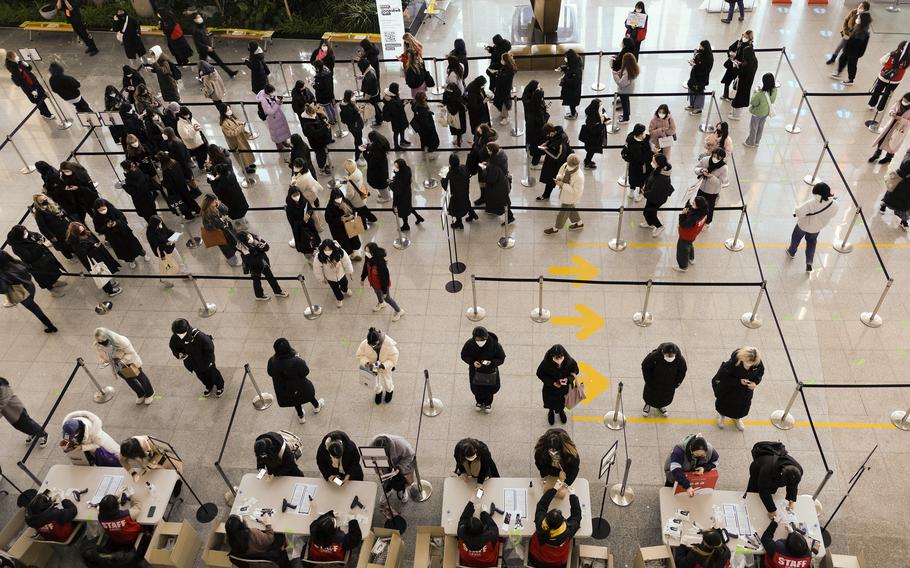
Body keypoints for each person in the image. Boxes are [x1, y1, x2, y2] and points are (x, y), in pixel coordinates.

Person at [267, 338, 324, 424]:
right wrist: (297, 359)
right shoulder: (296, 361)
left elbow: (270, 373)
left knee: (295, 401)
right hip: (301, 387)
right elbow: (305, 372)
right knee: (309, 396)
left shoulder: (272, 361)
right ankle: (316, 407)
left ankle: (301, 416)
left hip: (286, 390)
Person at [94, 327, 154, 405]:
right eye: (100, 341)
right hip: (117, 366)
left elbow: (130, 353)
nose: (102, 343)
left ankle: (149, 393)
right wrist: (104, 361)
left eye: (103, 341)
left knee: (140, 377)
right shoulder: (98, 345)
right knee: (129, 380)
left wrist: (121, 361)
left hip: (129, 362)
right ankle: (140, 394)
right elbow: (101, 355)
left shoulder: (121, 340)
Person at [787, 182, 839, 272]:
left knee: (796, 238)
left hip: (803, 226)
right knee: (811, 243)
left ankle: (791, 252)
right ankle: (809, 262)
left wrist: (795, 210)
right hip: (816, 228)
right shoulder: (834, 204)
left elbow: (799, 213)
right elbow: (833, 215)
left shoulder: (812, 203)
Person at [0, 252, 58, 333]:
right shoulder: (16, 262)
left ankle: (51, 326)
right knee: (33, 303)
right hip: (30, 286)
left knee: (35, 310)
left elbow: (3, 290)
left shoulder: (2, 274)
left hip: (21, 293)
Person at [169, 318, 225, 398]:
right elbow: (173, 346)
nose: (178, 336)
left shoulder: (199, 336)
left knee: (213, 374)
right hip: (192, 362)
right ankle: (209, 385)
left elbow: (209, 348)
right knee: (201, 376)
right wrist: (178, 354)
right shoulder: (176, 336)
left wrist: (209, 362)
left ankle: (220, 386)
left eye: (180, 334)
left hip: (205, 361)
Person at [712, 347, 764, 430]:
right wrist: (738, 381)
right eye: (747, 362)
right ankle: (721, 416)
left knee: (741, 406)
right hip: (729, 390)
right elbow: (722, 377)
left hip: (745, 391)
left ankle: (737, 418)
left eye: (751, 363)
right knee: (724, 404)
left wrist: (755, 382)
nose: (749, 364)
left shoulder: (757, 363)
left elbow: (760, 373)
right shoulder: (732, 363)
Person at [66, 222, 123, 296]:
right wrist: (93, 247)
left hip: (97, 256)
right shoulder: (77, 242)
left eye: (82, 228)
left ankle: (109, 284)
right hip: (93, 260)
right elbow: (83, 253)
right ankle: (110, 291)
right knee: (100, 274)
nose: (82, 230)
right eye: (80, 230)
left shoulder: (81, 236)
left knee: (104, 271)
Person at [529, 487, 581, 568]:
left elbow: (542, 505)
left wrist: (554, 489)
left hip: (535, 560)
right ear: (562, 523)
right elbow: (577, 517)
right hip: (557, 565)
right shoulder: (567, 532)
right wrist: (573, 496)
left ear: (545, 519)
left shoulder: (540, 524)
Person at [747, 441, 803, 517]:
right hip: (758, 468)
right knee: (755, 490)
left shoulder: (798, 470)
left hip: (774, 472)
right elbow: (763, 489)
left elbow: (793, 484)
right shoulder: (768, 469)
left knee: (772, 490)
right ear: (781, 475)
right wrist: (771, 510)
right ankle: (749, 507)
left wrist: (791, 499)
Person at [7, 226, 66, 296]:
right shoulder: (16, 247)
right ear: (18, 235)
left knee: (52, 270)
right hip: (36, 264)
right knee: (45, 278)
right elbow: (29, 256)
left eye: (26, 231)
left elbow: (36, 235)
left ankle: (55, 281)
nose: (27, 233)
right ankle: (52, 290)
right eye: (24, 233)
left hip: (45, 257)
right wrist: (38, 244)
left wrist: (40, 238)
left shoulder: (25, 233)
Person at [91, 199, 148, 268]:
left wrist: (116, 222)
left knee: (134, 245)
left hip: (124, 233)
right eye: (100, 210)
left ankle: (143, 254)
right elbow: (98, 229)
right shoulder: (96, 218)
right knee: (124, 251)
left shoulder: (113, 210)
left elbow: (123, 218)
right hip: (114, 238)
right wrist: (106, 226)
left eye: (103, 209)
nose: (102, 211)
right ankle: (131, 260)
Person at [459, 326, 505, 412]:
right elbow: (464, 355)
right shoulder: (470, 344)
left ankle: (488, 403)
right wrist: (472, 362)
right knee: (477, 388)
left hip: (490, 371)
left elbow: (501, 358)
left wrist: (491, 363)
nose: (479, 341)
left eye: (481, 339)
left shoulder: (495, 345)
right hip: (476, 371)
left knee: (489, 389)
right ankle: (479, 402)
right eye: (477, 339)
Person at [236, 231, 288, 301]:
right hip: (255, 267)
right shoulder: (244, 248)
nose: (249, 237)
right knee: (257, 280)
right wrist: (257, 249)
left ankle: (277, 291)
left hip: (263, 262)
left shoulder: (256, 238)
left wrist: (258, 244)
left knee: (270, 277)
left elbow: (267, 248)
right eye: (247, 237)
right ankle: (259, 295)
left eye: (248, 235)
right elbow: (251, 261)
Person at [640, 342, 687, 417]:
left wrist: (677, 383)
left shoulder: (679, 360)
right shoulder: (654, 356)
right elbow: (645, 366)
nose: (669, 357)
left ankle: (661, 406)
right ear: (663, 352)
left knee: (665, 397)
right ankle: (648, 404)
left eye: (671, 355)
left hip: (669, 383)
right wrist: (648, 380)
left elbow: (682, 371)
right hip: (654, 381)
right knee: (650, 395)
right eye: (667, 355)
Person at [225, 515, 291, 568]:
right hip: (267, 551)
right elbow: (270, 538)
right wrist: (268, 525)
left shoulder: (229, 540)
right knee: (281, 535)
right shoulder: (253, 533)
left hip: (251, 557)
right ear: (242, 526)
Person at [360, 242, 405, 321]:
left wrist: (384, 291)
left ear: (373, 252)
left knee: (387, 298)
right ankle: (381, 303)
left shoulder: (380, 262)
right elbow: (365, 268)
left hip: (383, 284)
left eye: (367, 251)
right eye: (365, 251)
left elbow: (384, 278)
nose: (366, 253)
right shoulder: (368, 258)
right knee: (377, 292)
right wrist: (362, 278)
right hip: (374, 283)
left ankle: (399, 311)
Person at [536, 345, 579, 425]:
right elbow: (539, 373)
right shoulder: (546, 363)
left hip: (564, 388)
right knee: (550, 402)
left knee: (563, 401)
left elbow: (575, 371)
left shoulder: (570, 362)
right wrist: (552, 382)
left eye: (560, 357)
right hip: (550, 389)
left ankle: (561, 411)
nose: (559, 360)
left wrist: (568, 379)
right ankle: (551, 412)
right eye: (556, 358)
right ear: (552, 357)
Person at [0, 376, 48, 447]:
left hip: (16, 410)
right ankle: (33, 433)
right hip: (9, 413)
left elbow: (2, 403)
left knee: (28, 424)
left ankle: (43, 434)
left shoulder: (2, 387)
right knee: (19, 426)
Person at [4, 51, 54, 119]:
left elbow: (28, 70)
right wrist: (31, 91)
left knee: (40, 98)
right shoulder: (14, 69)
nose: (17, 57)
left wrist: (27, 65)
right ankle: (48, 115)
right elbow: (22, 82)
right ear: (11, 58)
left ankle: (43, 113)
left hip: (33, 82)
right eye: (15, 56)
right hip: (29, 86)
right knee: (39, 100)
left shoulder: (19, 63)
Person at [543, 154, 585, 235]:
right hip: (565, 193)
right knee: (571, 209)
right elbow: (560, 172)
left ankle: (556, 228)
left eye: (571, 166)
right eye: (568, 164)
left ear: (576, 165)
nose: (568, 167)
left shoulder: (579, 176)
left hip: (571, 196)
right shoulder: (566, 165)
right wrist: (559, 177)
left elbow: (575, 191)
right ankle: (579, 223)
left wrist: (562, 185)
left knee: (562, 214)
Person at [356, 327, 399, 405]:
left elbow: (393, 358)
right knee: (375, 382)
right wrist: (367, 363)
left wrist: (383, 365)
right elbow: (360, 355)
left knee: (387, 381)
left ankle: (389, 391)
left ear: (378, 341)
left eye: (374, 345)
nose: (372, 347)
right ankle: (378, 392)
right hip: (373, 367)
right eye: (370, 345)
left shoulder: (389, 345)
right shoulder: (365, 344)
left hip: (384, 367)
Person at [369, 434, 416, 502]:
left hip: (400, 460)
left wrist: (399, 467)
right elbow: (372, 459)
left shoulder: (402, 445)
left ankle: (403, 490)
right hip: (384, 463)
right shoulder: (371, 446)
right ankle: (387, 490)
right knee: (384, 477)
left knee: (402, 478)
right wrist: (378, 470)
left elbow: (410, 455)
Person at [831, 11, 872, 86]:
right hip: (849, 49)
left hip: (854, 52)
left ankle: (851, 80)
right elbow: (851, 33)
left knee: (851, 65)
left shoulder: (863, 31)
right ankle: (838, 72)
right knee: (842, 59)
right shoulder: (858, 26)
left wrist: (849, 38)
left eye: (859, 17)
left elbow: (856, 43)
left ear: (863, 20)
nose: (857, 18)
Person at [869, 93, 910, 165]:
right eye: (903, 98)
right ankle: (876, 155)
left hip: (900, 129)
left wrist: (900, 119)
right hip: (891, 124)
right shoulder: (898, 102)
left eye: (906, 100)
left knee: (894, 143)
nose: (904, 100)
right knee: (882, 139)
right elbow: (892, 109)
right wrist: (892, 113)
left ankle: (888, 158)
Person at [157, 152, 200, 220]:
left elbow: (169, 183)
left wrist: (162, 182)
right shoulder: (175, 162)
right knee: (189, 199)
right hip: (183, 185)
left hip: (176, 190)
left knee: (182, 203)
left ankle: (189, 216)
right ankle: (198, 210)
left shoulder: (166, 170)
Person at [31, 194, 76, 260]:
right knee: (63, 246)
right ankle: (69, 257)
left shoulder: (51, 204)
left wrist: (62, 213)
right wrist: (51, 237)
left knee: (69, 240)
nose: (44, 200)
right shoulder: (39, 213)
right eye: (41, 200)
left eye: (44, 198)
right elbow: (42, 227)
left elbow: (62, 212)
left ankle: (73, 250)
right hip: (56, 232)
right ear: (38, 203)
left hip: (64, 227)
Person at [639, 153, 674, 238]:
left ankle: (659, 226)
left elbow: (654, 192)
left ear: (659, 163)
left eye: (654, 161)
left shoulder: (661, 178)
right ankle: (650, 223)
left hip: (656, 199)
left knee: (648, 213)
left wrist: (644, 193)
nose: (652, 162)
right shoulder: (659, 169)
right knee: (649, 212)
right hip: (654, 197)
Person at [313, 239, 355, 308]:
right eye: (325, 249)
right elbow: (317, 268)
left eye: (329, 249)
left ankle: (345, 289)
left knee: (344, 283)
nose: (327, 251)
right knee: (335, 289)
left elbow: (346, 261)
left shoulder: (339, 251)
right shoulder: (319, 256)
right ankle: (339, 299)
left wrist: (350, 271)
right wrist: (321, 279)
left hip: (341, 274)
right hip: (330, 277)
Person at [868, 41, 909, 112]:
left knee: (877, 90)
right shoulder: (908, 59)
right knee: (886, 94)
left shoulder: (892, 54)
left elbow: (881, 61)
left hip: (883, 77)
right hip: (896, 80)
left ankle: (871, 105)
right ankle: (880, 108)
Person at [201, 194, 241, 266]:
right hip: (219, 234)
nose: (215, 203)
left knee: (234, 242)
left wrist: (219, 205)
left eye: (216, 200)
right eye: (214, 202)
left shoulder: (217, 206)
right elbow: (208, 227)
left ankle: (236, 255)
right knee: (227, 249)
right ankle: (233, 262)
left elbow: (226, 209)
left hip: (228, 229)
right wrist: (219, 222)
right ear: (208, 203)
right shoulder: (206, 214)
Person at [457, 502, 500, 567]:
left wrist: (470, 505)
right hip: (489, 564)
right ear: (483, 529)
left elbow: (463, 519)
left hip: (468, 563)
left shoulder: (462, 533)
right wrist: (483, 513)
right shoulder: (490, 536)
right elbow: (493, 526)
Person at [192, 13, 236, 77]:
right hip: (203, 50)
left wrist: (209, 37)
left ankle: (230, 73)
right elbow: (198, 43)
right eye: (197, 17)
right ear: (194, 20)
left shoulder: (203, 26)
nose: (199, 18)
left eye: (200, 17)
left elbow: (205, 35)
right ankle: (200, 77)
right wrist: (207, 47)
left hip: (209, 48)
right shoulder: (196, 30)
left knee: (219, 61)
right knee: (203, 64)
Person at [672, 196, 709, 273]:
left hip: (685, 235)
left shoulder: (694, 218)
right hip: (693, 235)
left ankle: (683, 267)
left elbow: (683, 224)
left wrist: (683, 214)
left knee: (682, 250)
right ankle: (691, 258)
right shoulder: (704, 212)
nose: (692, 204)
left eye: (694, 203)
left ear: (698, 206)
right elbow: (693, 210)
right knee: (689, 245)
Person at [324, 189, 364, 259]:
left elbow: (353, 210)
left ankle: (353, 255)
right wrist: (340, 219)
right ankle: (347, 258)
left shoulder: (346, 201)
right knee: (345, 244)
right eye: (336, 198)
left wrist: (352, 215)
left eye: (339, 197)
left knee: (353, 241)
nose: (338, 199)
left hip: (350, 226)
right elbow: (329, 220)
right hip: (339, 230)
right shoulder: (330, 208)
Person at [146, 215, 184, 288]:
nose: (161, 225)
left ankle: (185, 273)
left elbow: (167, 231)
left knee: (179, 260)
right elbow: (156, 245)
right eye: (159, 224)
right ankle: (163, 279)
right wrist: (167, 243)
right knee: (165, 266)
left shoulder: (160, 224)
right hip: (163, 253)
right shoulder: (150, 233)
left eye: (161, 223)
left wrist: (175, 233)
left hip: (171, 247)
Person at [693, 149, 728, 227]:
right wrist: (701, 170)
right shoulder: (705, 159)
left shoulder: (724, 168)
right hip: (701, 187)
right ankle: (696, 219)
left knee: (709, 207)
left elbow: (720, 182)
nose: (715, 158)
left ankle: (707, 223)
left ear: (722, 158)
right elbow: (696, 168)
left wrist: (710, 176)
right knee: (698, 204)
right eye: (714, 156)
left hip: (712, 192)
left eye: (718, 158)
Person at [537, 125, 573, 201]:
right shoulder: (556, 132)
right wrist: (546, 144)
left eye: (548, 134)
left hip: (561, 162)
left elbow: (558, 156)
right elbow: (550, 139)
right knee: (550, 179)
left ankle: (567, 197)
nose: (548, 136)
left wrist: (545, 149)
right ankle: (546, 195)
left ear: (552, 131)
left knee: (559, 179)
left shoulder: (562, 140)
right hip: (552, 160)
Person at [217, 103, 255, 174]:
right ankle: (245, 168)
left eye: (229, 108)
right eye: (227, 109)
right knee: (242, 156)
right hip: (235, 142)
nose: (229, 110)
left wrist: (241, 124)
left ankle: (248, 163)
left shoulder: (231, 117)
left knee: (246, 152)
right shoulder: (224, 123)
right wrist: (241, 127)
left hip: (240, 138)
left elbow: (237, 122)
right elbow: (231, 133)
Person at [285, 187, 320, 263]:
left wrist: (308, 214)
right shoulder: (289, 208)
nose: (297, 196)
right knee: (305, 246)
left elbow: (310, 209)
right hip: (300, 231)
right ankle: (310, 259)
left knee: (313, 240)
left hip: (309, 226)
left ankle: (314, 250)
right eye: (294, 195)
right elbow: (293, 223)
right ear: (290, 196)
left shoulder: (304, 201)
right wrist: (303, 220)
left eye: (298, 194)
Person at [443, 153, 478, 229]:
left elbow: (447, 187)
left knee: (456, 209)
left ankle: (459, 223)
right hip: (465, 191)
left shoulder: (450, 175)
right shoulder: (463, 168)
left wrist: (443, 178)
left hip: (456, 196)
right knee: (466, 202)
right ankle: (472, 213)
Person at [483, 143, 515, 225]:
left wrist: (485, 170)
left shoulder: (494, 164)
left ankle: (510, 217)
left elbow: (491, 179)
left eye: (488, 150)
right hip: (503, 183)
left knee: (503, 202)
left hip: (499, 187)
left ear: (492, 151)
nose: (487, 151)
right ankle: (508, 215)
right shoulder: (501, 156)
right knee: (504, 200)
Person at [743, 73, 777, 147]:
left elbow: (753, 102)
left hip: (757, 113)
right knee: (761, 127)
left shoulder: (760, 94)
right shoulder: (774, 89)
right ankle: (757, 142)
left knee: (753, 128)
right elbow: (772, 100)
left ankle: (750, 143)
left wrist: (755, 92)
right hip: (766, 112)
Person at [391, 159, 426, 231]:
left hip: (401, 197)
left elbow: (397, 190)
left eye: (396, 167)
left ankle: (406, 225)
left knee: (403, 210)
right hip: (406, 193)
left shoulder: (401, 178)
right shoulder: (406, 170)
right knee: (408, 207)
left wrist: (390, 184)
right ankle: (418, 217)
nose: (395, 168)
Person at [257, 84, 292, 152]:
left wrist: (278, 101)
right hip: (273, 119)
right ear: (268, 92)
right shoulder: (263, 100)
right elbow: (269, 112)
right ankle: (279, 146)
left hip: (278, 116)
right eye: (272, 91)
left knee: (282, 130)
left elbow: (274, 101)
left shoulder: (270, 95)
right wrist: (277, 104)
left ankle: (284, 141)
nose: (273, 93)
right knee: (276, 133)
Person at [299, 103, 333, 173]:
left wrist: (323, 117)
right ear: (309, 113)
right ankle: (322, 168)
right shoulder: (307, 124)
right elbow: (315, 134)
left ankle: (324, 164)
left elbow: (319, 117)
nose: (315, 114)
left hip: (322, 139)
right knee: (320, 155)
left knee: (323, 153)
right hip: (316, 143)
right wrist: (325, 128)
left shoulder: (313, 115)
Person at [623, 123, 652, 202]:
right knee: (634, 177)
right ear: (639, 134)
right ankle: (632, 191)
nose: (645, 133)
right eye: (643, 132)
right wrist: (651, 152)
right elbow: (642, 157)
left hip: (640, 165)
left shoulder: (645, 138)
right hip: (638, 164)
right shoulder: (632, 141)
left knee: (641, 179)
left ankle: (639, 192)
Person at [721, 31, 753, 102]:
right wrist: (730, 53)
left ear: (749, 38)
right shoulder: (739, 42)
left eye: (746, 37)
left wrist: (741, 62)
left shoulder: (749, 46)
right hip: (732, 65)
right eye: (743, 36)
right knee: (727, 80)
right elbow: (730, 48)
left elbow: (748, 58)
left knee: (738, 83)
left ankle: (736, 97)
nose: (744, 38)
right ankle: (725, 95)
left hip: (740, 68)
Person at [522, 81, 548, 167]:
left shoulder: (528, 100)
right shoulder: (537, 108)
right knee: (538, 145)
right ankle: (535, 163)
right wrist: (546, 112)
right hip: (538, 131)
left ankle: (531, 153)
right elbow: (542, 121)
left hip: (530, 127)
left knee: (531, 142)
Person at [343, 159, 375, 224]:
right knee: (363, 208)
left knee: (360, 214)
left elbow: (350, 194)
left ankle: (364, 225)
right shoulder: (358, 171)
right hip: (362, 194)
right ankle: (372, 218)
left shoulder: (350, 183)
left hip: (356, 200)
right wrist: (348, 179)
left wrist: (345, 199)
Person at [578, 99, 608, 169]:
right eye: (600, 105)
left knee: (590, 151)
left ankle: (587, 160)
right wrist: (601, 125)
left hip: (593, 138)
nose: (601, 106)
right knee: (591, 151)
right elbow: (593, 129)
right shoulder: (593, 117)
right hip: (592, 138)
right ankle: (587, 163)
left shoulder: (596, 112)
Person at [687, 41, 714, 115]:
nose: (700, 48)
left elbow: (705, 69)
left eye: (701, 46)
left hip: (701, 77)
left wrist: (695, 65)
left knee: (699, 91)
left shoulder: (709, 57)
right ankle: (692, 104)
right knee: (691, 88)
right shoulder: (700, 53)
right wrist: (693, 61)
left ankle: (698, 108)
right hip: (694, 76)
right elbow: (696, 60)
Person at [612, 52, 638, 126]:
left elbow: (621, 83)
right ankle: (626, 114)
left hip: (625, 90)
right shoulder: (632, 68)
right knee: (626, 101)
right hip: (629, 89)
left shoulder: (627, 72)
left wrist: (614, 75)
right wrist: (620, 72)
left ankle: (626, 118)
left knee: (624, 103)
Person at [382, 83, 410, 149]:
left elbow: (398, 103)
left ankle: (402, 140)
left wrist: (402, 101)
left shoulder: (392, 96)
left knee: (402, 129)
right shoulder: (390, 100)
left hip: (400, 117)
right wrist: (403, 104)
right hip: (396, 119)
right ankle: (396, 145)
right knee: (396, 132)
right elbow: (395, 111)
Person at [492, 53, 517, 126]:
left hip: (504, 88)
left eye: (502, 59)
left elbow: (504, 78)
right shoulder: (508, 66)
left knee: (504, 101)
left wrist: (497, 75)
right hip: (504, 87)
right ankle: (503, 114)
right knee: (502, 101)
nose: (501, 60)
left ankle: (506, 117)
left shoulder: (509, 69)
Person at [340, 91, 365, 162]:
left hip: (354, 126)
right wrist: (359, 112)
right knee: (358, 140)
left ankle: (360, 151)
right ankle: (358, 155)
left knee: (358, 138)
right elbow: (352, 118)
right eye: (352, 96)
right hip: (355, 126)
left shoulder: (346, 104)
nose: (353, 97)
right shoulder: (348, 108)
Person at [558, 50, 583, 119]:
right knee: (571, 103)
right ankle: (573, 112)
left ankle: (573, 114)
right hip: (571, 90)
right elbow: (569, 68)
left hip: (573, 91)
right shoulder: (575, 64)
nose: (565, 58)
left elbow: (574, 82)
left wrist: (564, 79)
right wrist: (563, 68)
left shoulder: (576, 71)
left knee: (572, 103)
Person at [358, 59, 382, 127]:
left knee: (374, 106)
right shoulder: (370, 68)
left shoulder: (369, 77)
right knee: (375, 105)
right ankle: (380, 115)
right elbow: (367, 76)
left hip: (371, 94)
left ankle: (379, 120)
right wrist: (362, 77)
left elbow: (368, 91)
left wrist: (365, 100)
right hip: (375, 91)